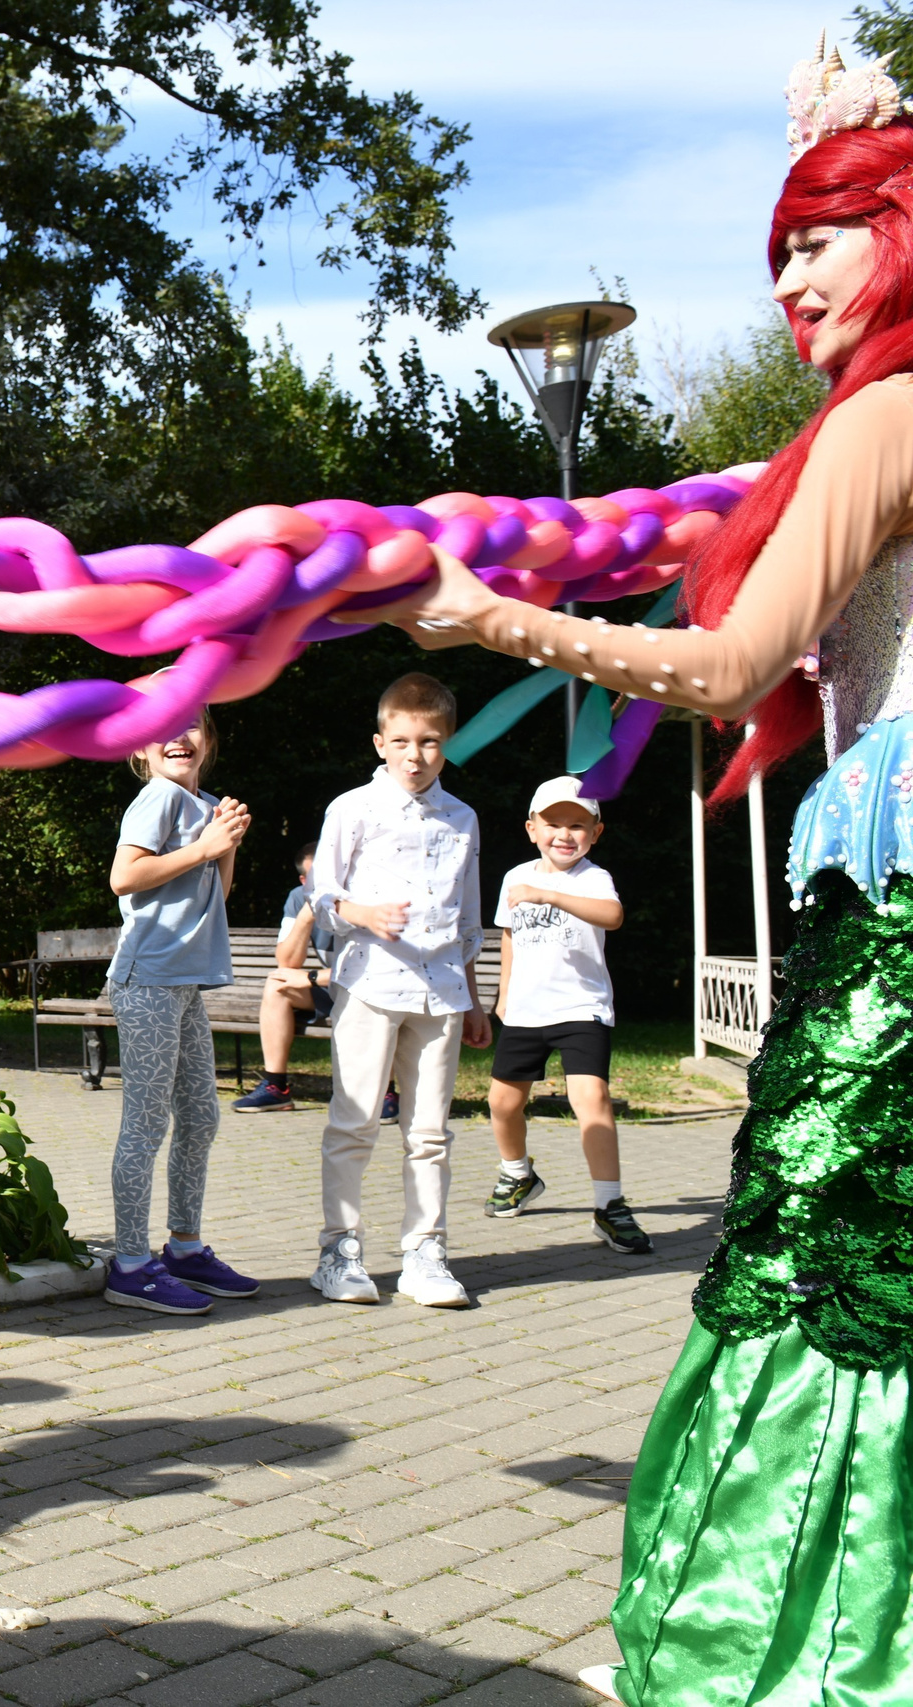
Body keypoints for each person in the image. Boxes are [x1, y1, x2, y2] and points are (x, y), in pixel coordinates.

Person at [375, 47, 913, 1697]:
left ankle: (808, 1647)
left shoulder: (890, 414)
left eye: (824, 234)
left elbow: (737, 663)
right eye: (775, 252)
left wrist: (494, 624)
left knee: (840, 1253)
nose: (791, 280)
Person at [307, 672, 490, 1310]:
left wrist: (474, 995)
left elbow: (468, 918)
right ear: (380, 742)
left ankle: (425, 1252)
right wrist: (364, 914)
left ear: (447, 743)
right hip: (371, 984)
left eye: (431, 742)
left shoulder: (462, 818)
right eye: (404, 741)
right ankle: (340, 1249)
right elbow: (322, 897)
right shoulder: (352, 808)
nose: (417, 755)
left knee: (430, 1131)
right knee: (355, 1121)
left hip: (442, 994)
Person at [101, 717, 261, 1314]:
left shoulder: (207, 805)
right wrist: (204, 847)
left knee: (200, 1117)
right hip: (146, 981)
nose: (178, 735)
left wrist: (226, 845)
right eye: (163, 724)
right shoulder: (159, 796)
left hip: (186, 983)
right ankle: (130, 1263)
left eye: (191, 724)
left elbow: (215, 894)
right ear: (141, 747)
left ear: (209, 742)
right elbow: (124, 877)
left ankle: (185, 1249)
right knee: (146, 1123)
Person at [485, 778, 649, 1255]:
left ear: (596, 833)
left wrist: (550, 894)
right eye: (553, 824)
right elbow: (509, 936)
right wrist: (503, 993)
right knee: (502, 1105)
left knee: (591, 1098)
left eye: (577, 825)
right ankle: (518, 1175)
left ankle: (610, 1205)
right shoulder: (515, 877)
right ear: (532, 829)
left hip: (582, 1007)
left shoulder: (592, 879)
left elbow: (611, 916)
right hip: (527, 1010)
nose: (565, 834)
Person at [232, 844, 335, 1113]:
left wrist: (313, 978)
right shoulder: (299, 898)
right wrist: (306, 916)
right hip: (335, 989)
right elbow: (287, 963)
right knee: (277, 984)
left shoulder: (366, 898)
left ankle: (386, 1094)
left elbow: (377, 972)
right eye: (318, 878)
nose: (329, 883)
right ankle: (276, 1088)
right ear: (304, 881)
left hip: (370, 988)